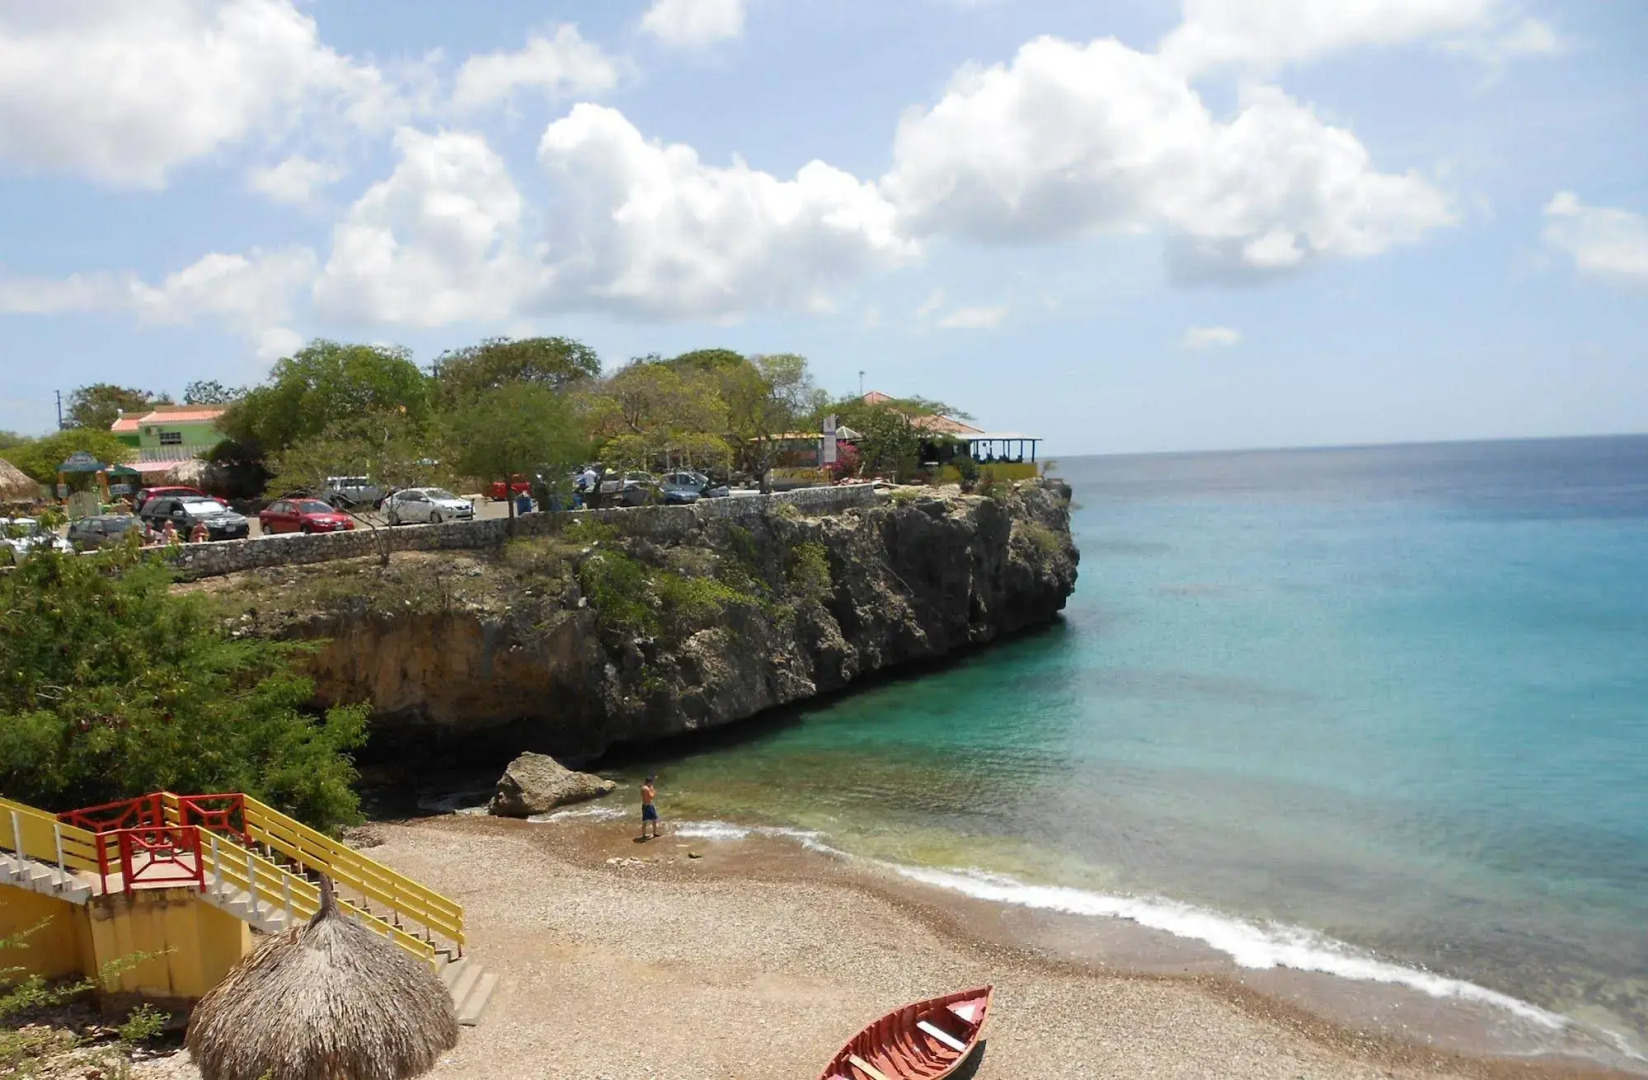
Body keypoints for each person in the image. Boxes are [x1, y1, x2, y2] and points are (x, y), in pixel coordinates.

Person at [639, 775, 661, 840]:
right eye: (651, 782)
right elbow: (651, 796)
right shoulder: (647, 789)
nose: (652, 784)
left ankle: (644, 834)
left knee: (645, 821)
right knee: (654, 819)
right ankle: (654, 833)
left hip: (645, 805)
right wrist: (653, 790)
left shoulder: (643, 788)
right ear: (649, 782)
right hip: (648, 806)